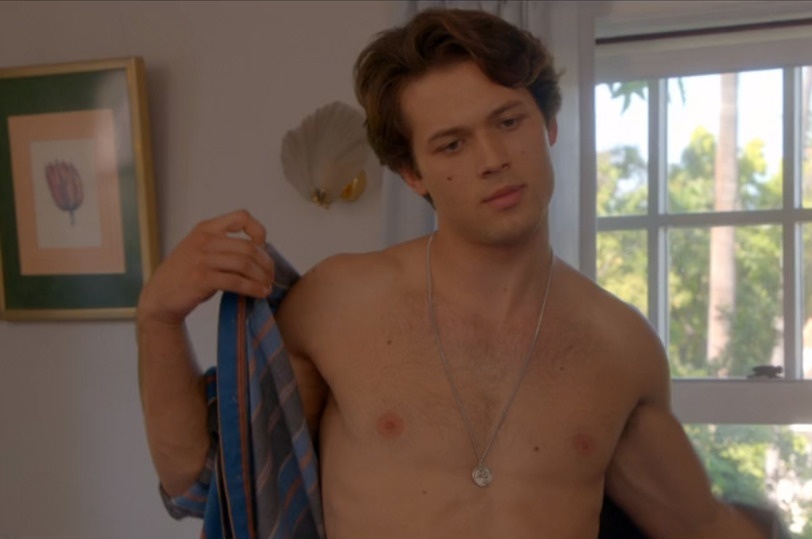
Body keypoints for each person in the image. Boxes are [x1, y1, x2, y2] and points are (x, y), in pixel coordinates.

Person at [137, 8, 770, 539]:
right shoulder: (337, 304)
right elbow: (203, 484)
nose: (493, 158)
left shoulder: (624, 347)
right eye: (452, 144)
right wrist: (159, 318)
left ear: (549, 126)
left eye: (509, 121)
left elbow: (695, 525)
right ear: (413, 174)